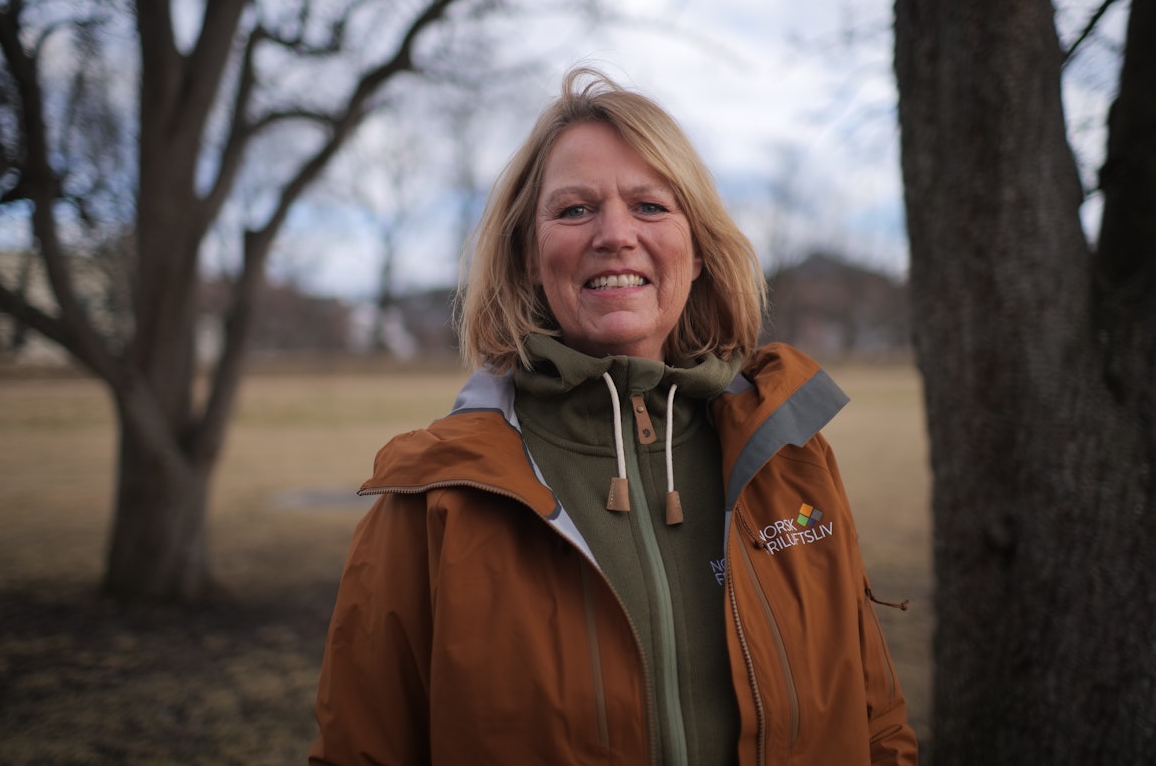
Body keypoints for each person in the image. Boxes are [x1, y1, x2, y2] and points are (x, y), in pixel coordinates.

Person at [310, 67, 918, 765]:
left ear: (697, 252)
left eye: (651, 206)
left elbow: (877, 728)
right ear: (530, 258)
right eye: (574, 210)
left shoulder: (790, 462)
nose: (615, 234)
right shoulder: (431, 503)